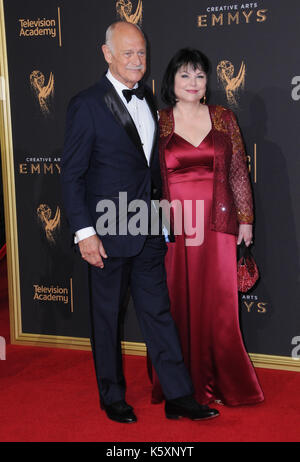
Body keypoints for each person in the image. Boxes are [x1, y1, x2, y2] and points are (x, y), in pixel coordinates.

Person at [61, 23, 219, 423]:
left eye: (142, 54)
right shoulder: (87, 104)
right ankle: (112, 396)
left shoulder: (148, 97)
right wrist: (85, 233)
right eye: (128, 53)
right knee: (107, 317)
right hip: (107, 232)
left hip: (147, 227)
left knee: (158, 313)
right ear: (107, 53)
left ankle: (179, 396)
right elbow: (72, 175)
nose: (137, 61)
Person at [150, 48, 264, 407]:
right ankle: (177, 383)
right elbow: (146, 177)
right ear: (171, 80)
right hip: (175, 227)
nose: (193, 82)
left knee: (220, 305)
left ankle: (225, 382)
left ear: (206, 82)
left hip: (218, 223)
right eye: (185, 75)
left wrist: (245, 220)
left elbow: (237, 173)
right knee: (174, 301)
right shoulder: (158, 120)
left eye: (199, 75)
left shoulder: (224, 117)